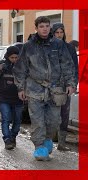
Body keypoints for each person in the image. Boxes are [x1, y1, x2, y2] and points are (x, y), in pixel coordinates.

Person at [13, 16, 76, 161]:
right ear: (36, 28)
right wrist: (20, 88)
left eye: (47, 26)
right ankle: (39, 146)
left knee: (54, 120)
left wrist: (71, 83)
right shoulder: (28, 46)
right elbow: (20, 68)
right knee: (37, 121)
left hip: (55, 90)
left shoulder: (58, 45)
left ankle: (47, 138)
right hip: (35, 89)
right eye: (42, 26)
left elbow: (68, 64)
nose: (45, 29)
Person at [51, 22, 79, 151]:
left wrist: (73, 84)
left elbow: (75, 68)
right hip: (51, 86)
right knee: (51, 114)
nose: (59, 35)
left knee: (64, 113)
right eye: (56, 32)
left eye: (61, 32)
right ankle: (48, 141)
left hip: (65, 86)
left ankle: (62, 143)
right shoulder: (48, 47)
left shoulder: (69, 48)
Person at [0, 46, 23, 150]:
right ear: (8, 56)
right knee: (6, 119)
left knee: (17, 121)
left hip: (18, 99)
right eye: (12, 57)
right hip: (3, 98)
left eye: (16, 57)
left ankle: (13, 136)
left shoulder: (22, 66)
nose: (14, 59)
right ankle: (7, 139)